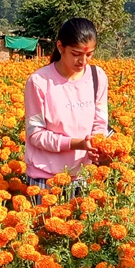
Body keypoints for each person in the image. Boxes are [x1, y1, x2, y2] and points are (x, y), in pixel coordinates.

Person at [23, 17, 109, 199]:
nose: (83, 61)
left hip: (83, 176)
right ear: (60, 47)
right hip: (46, 179)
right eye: (76, 54)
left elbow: (100, 122)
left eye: (89, 54)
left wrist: (96, 145)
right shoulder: (39, 82)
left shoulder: (97, 77)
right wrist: (78, 143)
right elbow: (35, 134)